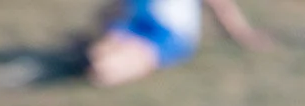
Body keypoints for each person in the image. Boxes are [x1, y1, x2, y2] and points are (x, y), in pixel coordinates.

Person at [85, 0, 273, 87]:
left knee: (104, 70)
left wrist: (244, 36)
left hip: (169, 35)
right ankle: (97, 59)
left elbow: (220, 6)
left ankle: (105, 65)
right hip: (134, 25)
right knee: (98, 53)